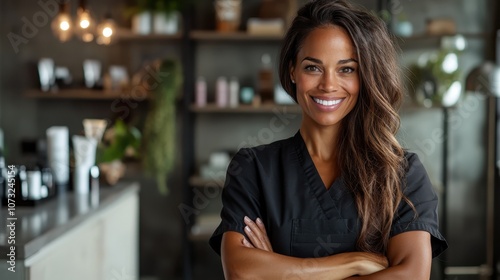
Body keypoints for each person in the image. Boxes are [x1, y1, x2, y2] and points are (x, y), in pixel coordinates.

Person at [209, 0, 448, 278]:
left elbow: (411, 276)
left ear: (365, 76)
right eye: (313, 67)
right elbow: (241, 272)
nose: (328, 85)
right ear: (292, 71)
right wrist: (354, 263)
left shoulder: (403, 174)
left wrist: (280, 270)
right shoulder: (253, 169)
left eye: (346, 69)